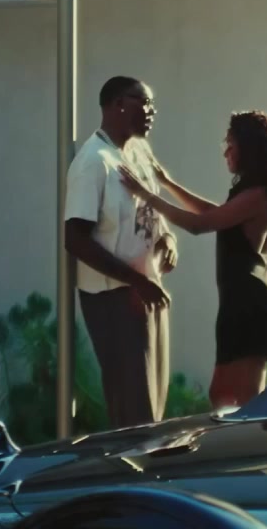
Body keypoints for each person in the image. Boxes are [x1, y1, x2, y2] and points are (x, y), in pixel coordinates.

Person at [119, 110, 267, 409]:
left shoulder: (259, 194)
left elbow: (198, 225)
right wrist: (167, 183)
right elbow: (213, 213)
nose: (225, 151)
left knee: (236, 401)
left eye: (231, 143)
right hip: (245, 299)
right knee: (227, 397)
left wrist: (146, 195)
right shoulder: (255, 192)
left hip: (251, 301)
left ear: (249, 147)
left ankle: (251, 440)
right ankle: (244, 438)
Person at [63, 76, 179, 429]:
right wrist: (135, 281)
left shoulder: (139, 153)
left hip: (146, 291)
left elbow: (149, 211)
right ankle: (127, 464)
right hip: (114, 298)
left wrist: (167, 239)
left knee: (152, 407)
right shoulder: (93, 162)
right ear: (116, 104)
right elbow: (76, 239)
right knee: (133, 409)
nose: (151, 110)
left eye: (152, 103)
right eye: (142, 101)